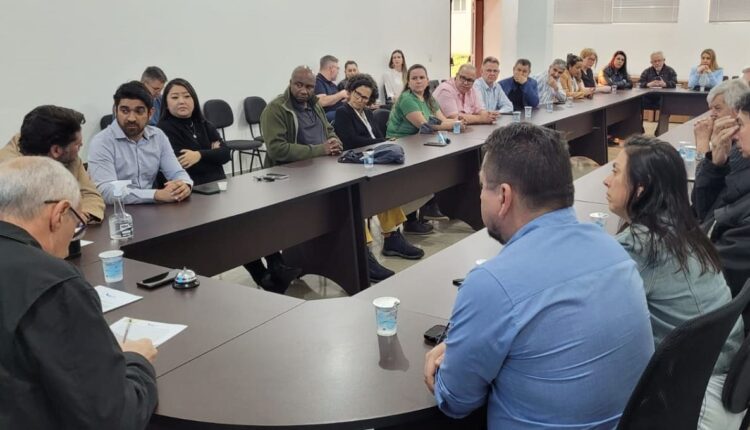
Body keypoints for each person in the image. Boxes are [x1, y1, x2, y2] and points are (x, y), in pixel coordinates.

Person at [423, 123, 654, 428]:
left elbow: (456, 401)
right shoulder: (614, 252)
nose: (480, 196)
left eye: (483, 186)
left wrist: (448, 360)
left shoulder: (491, 284)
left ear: (504, 197)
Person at [0, 156, 158, 428]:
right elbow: (112, 418)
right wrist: (136, 360)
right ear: (59, 213)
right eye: (76, 223)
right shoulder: (52, 283)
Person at [604, 136, 745, 429]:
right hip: (729, 386)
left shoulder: (641, 247)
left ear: (639, 189)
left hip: (696, 401)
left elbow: (595, 326)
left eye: (616, 171)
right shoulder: (682, 228)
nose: (606, 181)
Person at [333, 73, 425, 281]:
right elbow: (352, 140)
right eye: (358, 95)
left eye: (366, 98)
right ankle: (364, 254)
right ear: (350, 92)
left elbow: (375, 135)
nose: (361, 100)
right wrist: (384, 140)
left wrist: (382, 140)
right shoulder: (342, 112)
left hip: (372, 163)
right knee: (363, 198)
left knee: (386, 190)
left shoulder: (367, 113)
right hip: (352, 167)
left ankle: (392, 237)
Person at [88, 81, 193, 204]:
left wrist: (184, 185)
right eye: (125, 111)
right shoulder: (102, 142)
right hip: (117, 212)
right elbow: (106, 190)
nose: (131, 118)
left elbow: (177, 173)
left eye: (139, 111)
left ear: (150, 113)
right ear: (115, 110)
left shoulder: (158, 136)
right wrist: (155, 194)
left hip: (152, 211)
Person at [385, 64, 462, 233]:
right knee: (426, 169)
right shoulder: (407, 98)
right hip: (400, 144)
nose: (418, 81)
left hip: (420, 142)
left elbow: (441, 120)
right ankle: (420, 212)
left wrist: (457, 123)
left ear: (427, 80)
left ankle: (431, 205)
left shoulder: (428, 97)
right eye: (414, 78)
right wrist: (456, 124)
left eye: (422, 78)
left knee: (444, 161)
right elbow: (425, 125)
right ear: (408, 81)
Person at [0, 105, 105, 223]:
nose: (81, 146)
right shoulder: (9, 175)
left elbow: (91, 195)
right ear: (56, 150)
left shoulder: (69, 156)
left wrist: (83, 216)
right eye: (77, 144)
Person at [692, 91, 750, 296]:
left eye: (740, 124)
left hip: (711, 293)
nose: (734, 133)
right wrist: (716, 166)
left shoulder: (742, 160)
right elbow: (705, 212)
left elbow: (717, 272)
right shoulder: (742, 163)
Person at [262, 66, 343, 167]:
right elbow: (277, 149)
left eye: (309, 87)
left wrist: (334, 142)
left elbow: (328, 130)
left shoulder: (315, 105)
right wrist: (321, 150)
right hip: (290, 171)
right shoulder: (275, 109)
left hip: (321, 166)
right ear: (290, 83)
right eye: (299, 85)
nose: (304, 91)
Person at [693, 79, 749, 157]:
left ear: (737, 109)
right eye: (711, 109)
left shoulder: (743, 143)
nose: (712, 114)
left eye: (717, 108)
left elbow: (707, 169)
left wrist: (702, 142)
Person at [315, 55, 349, 122]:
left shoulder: (332, 85)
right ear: (331, 69)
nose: (338, 71)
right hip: (328, 121)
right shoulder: (317, 81)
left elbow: (338, 100)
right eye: (337, 68)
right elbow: (321, 101)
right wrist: (341, 94)